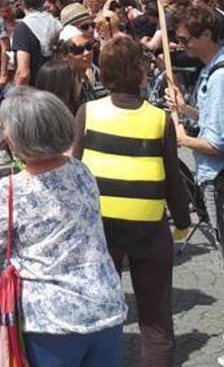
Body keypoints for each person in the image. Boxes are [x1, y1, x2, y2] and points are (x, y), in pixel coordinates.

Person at [72, 35, 191, 367]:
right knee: (155, 317)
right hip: (149, 226)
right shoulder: (158, 118)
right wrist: (182, 221)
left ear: (105, 73)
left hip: (100, 228)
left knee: (98, 309)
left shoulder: (88, 112)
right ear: (141, 72)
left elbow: (76, 172)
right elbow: (172, 178)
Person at [0, 87, 126, 366]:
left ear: (19, 136)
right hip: (104, 302)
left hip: (50, 316)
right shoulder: (81, 170)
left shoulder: (12, 188)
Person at [167, 5, 224, 366]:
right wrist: (186, 110)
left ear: (206, 36)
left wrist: (180, 137)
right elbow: (218, 122)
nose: (179, 43)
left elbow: (216, 142)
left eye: (185, 38)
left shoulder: (219, 78)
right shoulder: (217, 69)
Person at [13, 0, 61, 86]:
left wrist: (16, 97)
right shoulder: (57, 23)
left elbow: (23, 73)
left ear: (21, 2)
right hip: (58, 89)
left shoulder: (22, 28)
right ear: (43, 0)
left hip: (35, 94)